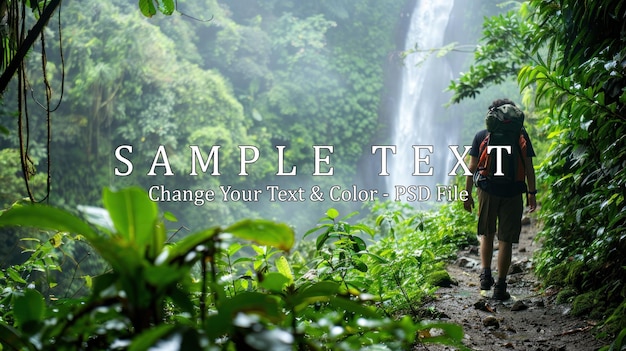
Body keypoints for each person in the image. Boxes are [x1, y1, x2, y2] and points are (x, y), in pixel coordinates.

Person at [463, 98, 537, 300]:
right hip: (513, 192)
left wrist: (467, 194)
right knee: (506, 240)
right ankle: (501, 287)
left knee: (487, 234)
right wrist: (532, 194)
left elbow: (471, 169)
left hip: (487, 189)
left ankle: (486, 277)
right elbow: (529, 167)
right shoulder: (521, 136)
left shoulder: (481, 136)